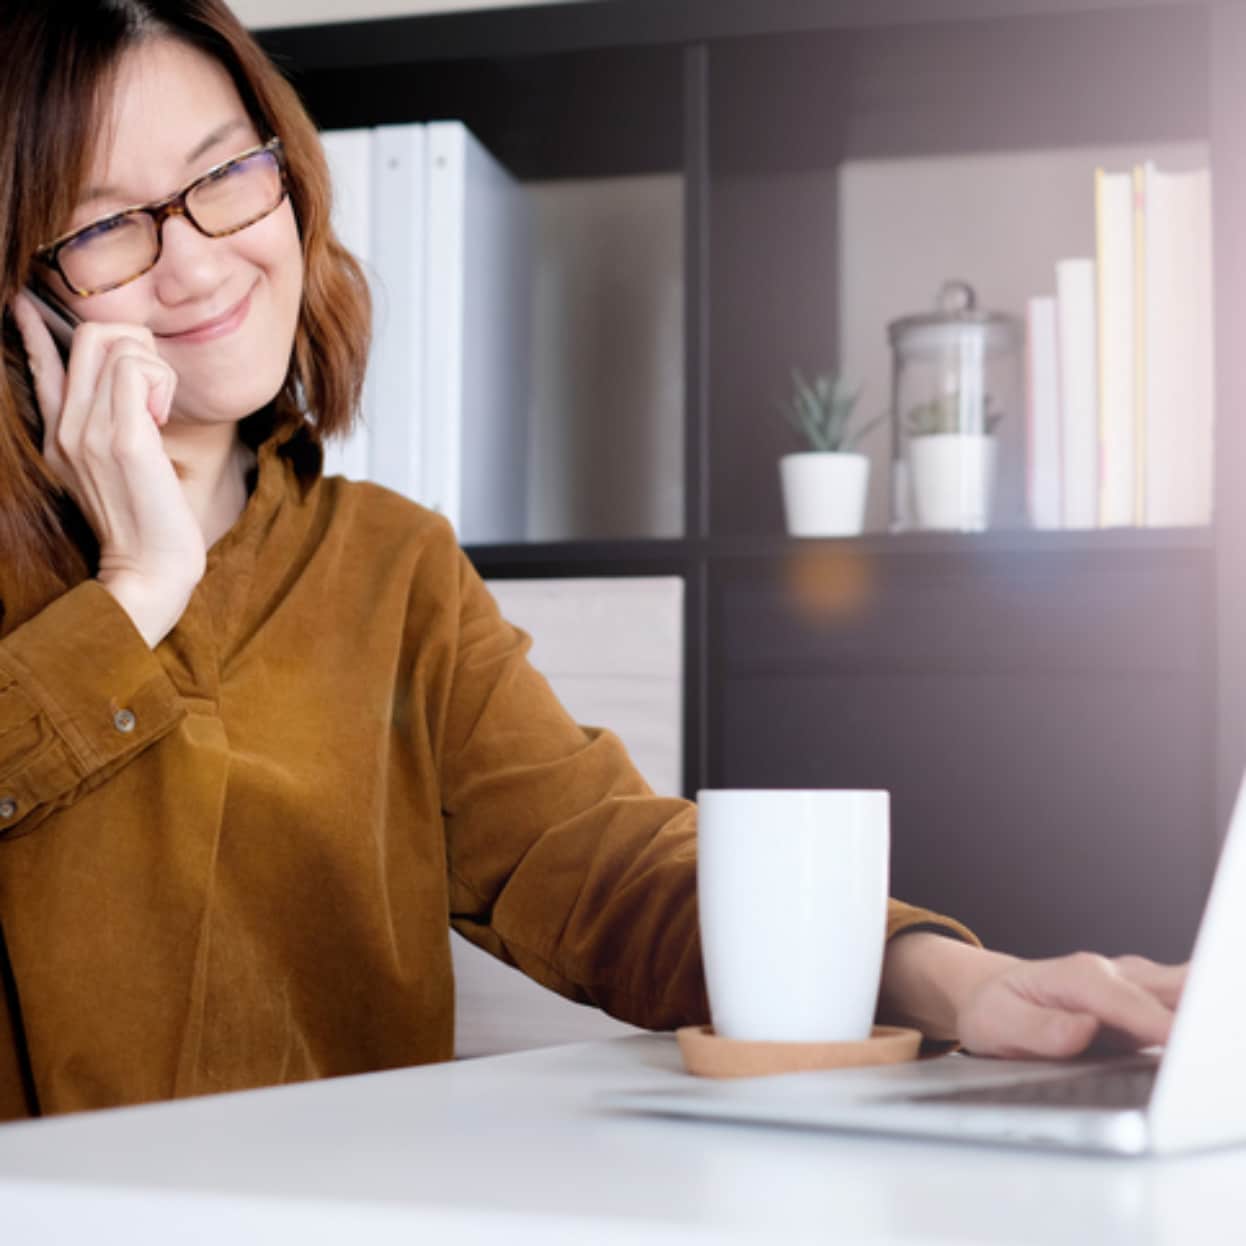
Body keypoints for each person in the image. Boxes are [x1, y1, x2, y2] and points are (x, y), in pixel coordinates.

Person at [0, 0, 1184, 1121]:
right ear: (25, 289)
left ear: (287, 176)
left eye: (222, 176)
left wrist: (950, 981)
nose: (196, 261)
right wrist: (135, 596)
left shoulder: (389, 562)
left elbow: (603, 862)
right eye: (108, 225)